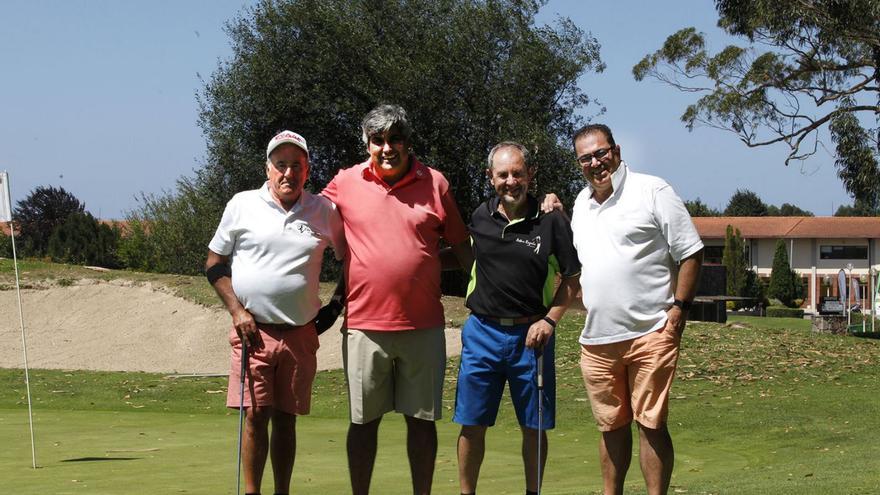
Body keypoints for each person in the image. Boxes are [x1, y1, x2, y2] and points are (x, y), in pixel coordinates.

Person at [321, 104, 472, 495]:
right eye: (378, 140)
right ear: (367, 143)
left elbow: (462, 247)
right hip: (363, 327)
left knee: (421, 422)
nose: (387, 148)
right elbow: (308, 219)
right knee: (362, 423)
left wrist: (428, 263)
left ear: (407, 142)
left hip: (423, 326)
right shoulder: (345, 181)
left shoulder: (435, 183)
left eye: (395, 139)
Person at [205, 130, 345, 495]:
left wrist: (334, 309)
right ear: (268, 169)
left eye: (296, 165)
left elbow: (350, 262)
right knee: (255, 416)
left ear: (307, 169)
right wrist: (237, 310)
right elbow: (214, 264)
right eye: (280, 165)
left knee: (287, 420)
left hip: (300, 333)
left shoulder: (324, 210)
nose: (288, 173)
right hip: (252, 330)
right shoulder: (242, 204)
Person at [570, 124, 704, 495]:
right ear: (578, 163)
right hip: (597, 339)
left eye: (601, 153)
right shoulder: (581, 204)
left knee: (650, 423)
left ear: (616, 149)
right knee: (610, 426)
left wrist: (679, 309)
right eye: (586, 158)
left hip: (651, 332)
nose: (596, 162)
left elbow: (691, 251)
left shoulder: (652, 190)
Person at [453, 142, 581, 495]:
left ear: (530, 175)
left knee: (534, 426)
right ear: (490, 177)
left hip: (533, 336)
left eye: (518, 174)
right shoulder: (480, 215)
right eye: (503, 174)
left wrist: (550, 321)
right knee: (471, 423)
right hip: (482, 333)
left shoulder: (551, 220)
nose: (511, 181)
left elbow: (572, 280)